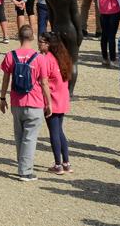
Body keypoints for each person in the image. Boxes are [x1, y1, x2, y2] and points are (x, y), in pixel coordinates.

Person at [0, 24, 54, 181]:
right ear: (32, 37)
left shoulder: (10, 56)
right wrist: (48, 102)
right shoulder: (40, 58)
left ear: (18, 37)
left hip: (16, 102)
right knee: (30, 138)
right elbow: (44, 83)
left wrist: (2, 98)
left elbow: (5, 78)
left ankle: (22, 165)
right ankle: (25, 171)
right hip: (35, 102)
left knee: (19, 136)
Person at [40, 31, 73, 174]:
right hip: (63, 97)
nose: (39, 44)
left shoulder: (46, 59)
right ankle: (66, 163)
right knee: (59, 131)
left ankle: (58, 165)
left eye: (41, 41)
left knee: (54, 132)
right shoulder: (62, 57)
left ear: (48, 44)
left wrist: (47, 103)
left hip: (52, 99)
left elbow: (44, 82)